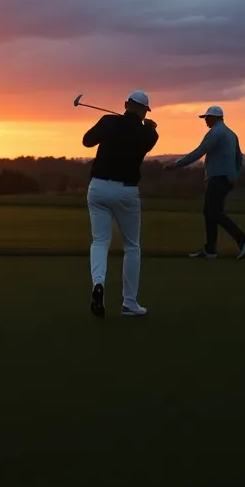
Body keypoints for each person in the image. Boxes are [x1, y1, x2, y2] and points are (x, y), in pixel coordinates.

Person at [81, 90, 159, 318]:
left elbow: (87, 141)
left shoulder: (108, 121)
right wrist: (150, 127)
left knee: (99, 241)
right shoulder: (150, 135)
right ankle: (129, 303)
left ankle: (98, 284)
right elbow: (142, 139)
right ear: (145, 111)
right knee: (132, 246)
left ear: (126, 104)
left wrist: (107, 125)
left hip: (98, 188)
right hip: (126, 191)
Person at [165, 105, 245, 259]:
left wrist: (177, 164)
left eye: (207, 118)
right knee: (209, 211)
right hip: (225, 178)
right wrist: (234, 175)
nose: (205, 120)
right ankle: (210, 250)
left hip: (217, 178)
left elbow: (200, 151)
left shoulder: (216, 133)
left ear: (215, 118)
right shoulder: (231, 134)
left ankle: (242, 238)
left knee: (214, 212)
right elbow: (239, 158)